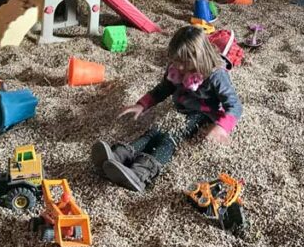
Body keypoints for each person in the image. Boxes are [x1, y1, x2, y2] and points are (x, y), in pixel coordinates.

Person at [91, 26, 243, 192]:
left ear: (199, 57)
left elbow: (234, 105)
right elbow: (163, 88)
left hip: (203, 114)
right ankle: (118, 157)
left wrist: (221, 128)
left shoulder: (216, 75)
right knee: (153, 132)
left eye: (184, 63)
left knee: (170, 138)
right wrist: (142, 104)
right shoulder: (177, 67)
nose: (179, 68)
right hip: (179, 110)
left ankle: (141, 173)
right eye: (176, 61)